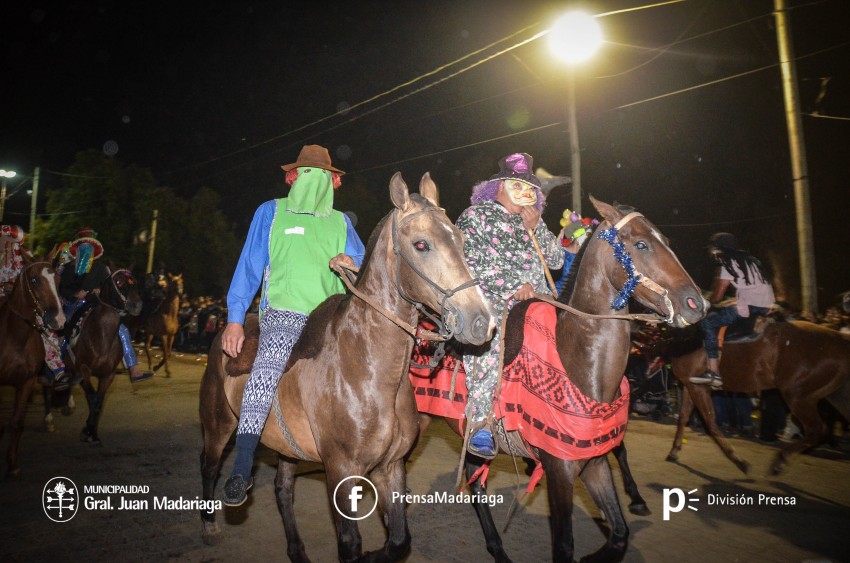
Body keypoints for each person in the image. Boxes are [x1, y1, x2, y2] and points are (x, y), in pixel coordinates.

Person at [220, 144, 366, 506]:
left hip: (333, 315)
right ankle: (241, 466)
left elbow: (364, 262)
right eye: (306, 172)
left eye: (321, 174)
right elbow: (249, 268)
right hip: (284, 313)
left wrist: (352, 261)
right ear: (294, 177)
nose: (313, 180)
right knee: (265, 371)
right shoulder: (271, 212)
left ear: (333, 181)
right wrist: (235, 320)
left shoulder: (341, 222)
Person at [455, 152, 563, 457]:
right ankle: (481, 423)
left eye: (530, 189)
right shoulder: (475, 216)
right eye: (518, 185)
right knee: (488, 346)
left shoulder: (531, 221)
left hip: (539, 304)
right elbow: (471, 261)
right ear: (499, 186)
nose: (525, 194)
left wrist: (538, 227)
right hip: (492, 302)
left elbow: (556, 261)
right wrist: (513, 286)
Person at [54, 227, 153, 389]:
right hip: (73, 305)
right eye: (84, 247)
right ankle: (60, 370)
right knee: (63, 331)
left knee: (122, 329)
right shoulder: (69, 269)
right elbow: (62, 289)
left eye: (90, 247)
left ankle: (133, 369)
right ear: (78, 249)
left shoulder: (101, 268)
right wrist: (75, 294)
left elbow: (110, 287)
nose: (87, 250)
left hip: (96, 304)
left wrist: (100, 290)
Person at [690, 232, 775, 388]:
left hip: (749, 308)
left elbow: (718, 295)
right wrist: (733, 301)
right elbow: (751, 287)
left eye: (713, 250)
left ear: (720, 249)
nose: (712, 253)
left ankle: (713, 371)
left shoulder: (727, 263)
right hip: (766, 306)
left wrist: (708, 301)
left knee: (707, 323)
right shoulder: (752, 261)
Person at [553, 209, 597, 295]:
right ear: (577, 238)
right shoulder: (558, 257)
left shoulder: (584, 258)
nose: (591, 240)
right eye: (588, 235)